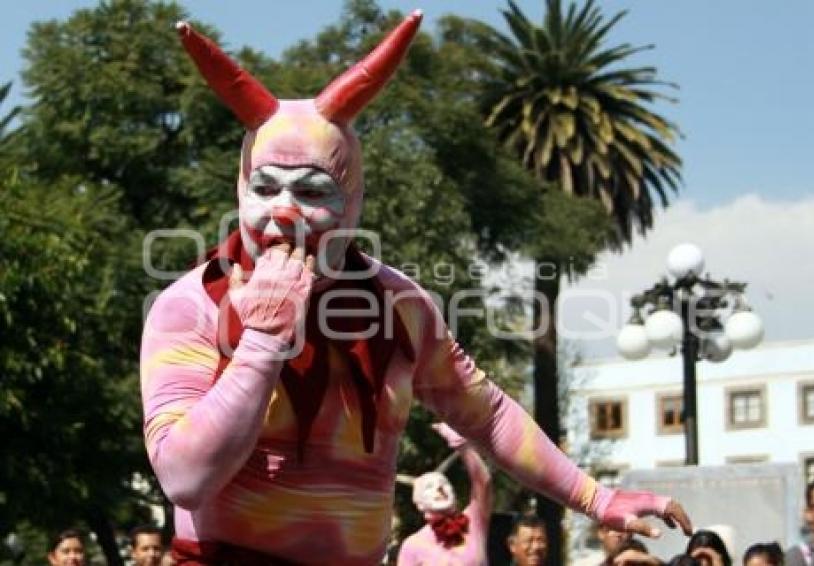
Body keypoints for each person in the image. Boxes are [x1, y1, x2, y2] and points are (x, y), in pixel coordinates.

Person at [140, 9, 692, 565]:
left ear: (353, 198)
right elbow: (184, 477)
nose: (283, 212)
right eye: (264, 187)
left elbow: (489, 414)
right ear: (241, 189)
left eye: (312, 191)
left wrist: (597, 497)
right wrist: (261, 342)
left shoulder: (398, 306)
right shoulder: (191, 304)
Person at [397, 423, 490, 564]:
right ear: (419, 503)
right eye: (429, 487)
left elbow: (483, 482)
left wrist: (461, 444)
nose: (440, 488)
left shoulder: (474, 521)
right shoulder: (412, 546)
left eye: (444, 484)